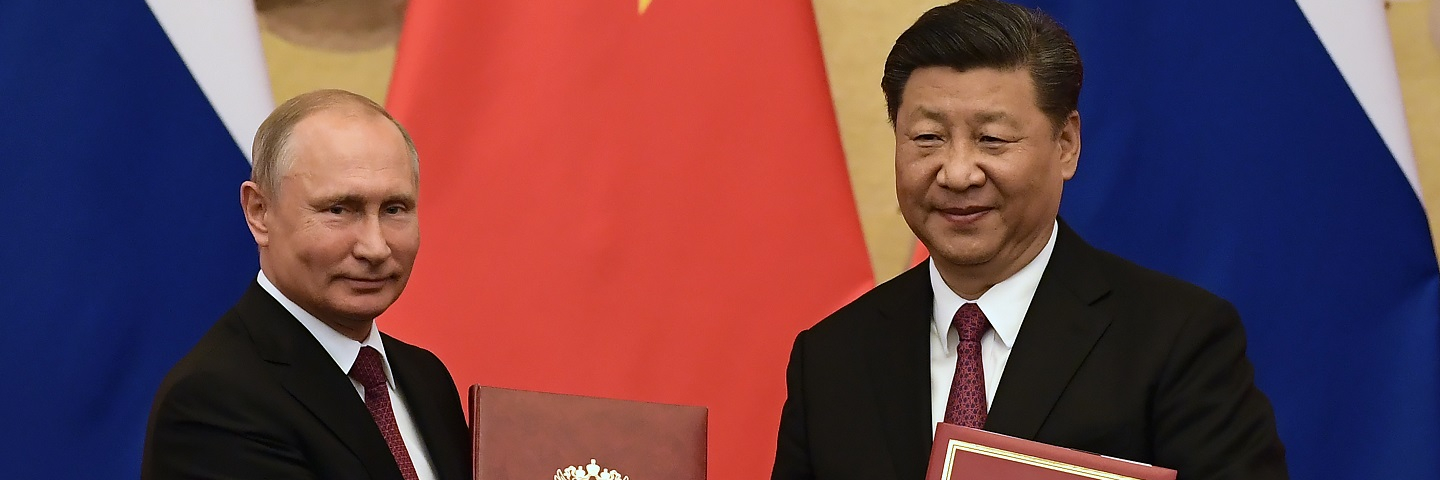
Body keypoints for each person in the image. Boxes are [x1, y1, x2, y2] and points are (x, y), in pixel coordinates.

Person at [771, 2, 1288, 479]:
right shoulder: (831, 358)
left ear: (1066, 144)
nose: (956, 173)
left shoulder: (1178, 340)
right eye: (927, 138)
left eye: (992, 139)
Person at [142, 89, 469, 480]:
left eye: (394, 209)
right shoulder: (213, 401)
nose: (375, 246)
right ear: (259, 213)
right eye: (339, 210)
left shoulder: (425, 379)